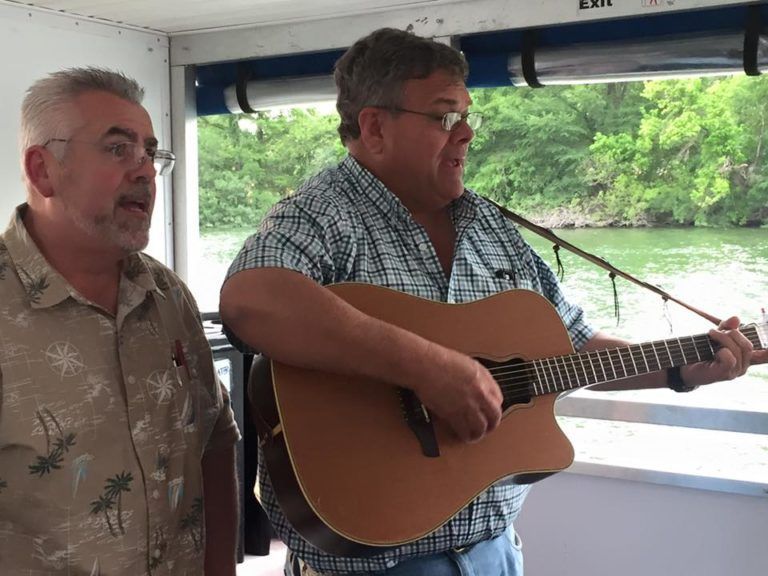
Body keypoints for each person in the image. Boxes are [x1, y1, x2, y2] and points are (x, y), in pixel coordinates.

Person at [220, 28, 767, 576]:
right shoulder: (323, 214)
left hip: (495, 556)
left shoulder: (488, 226)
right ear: (375, 126)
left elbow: (575, 348)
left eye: (466, 115)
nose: (466, 134)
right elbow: (251, 298)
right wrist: (429, 368)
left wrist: (681, 370)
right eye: (444, 117)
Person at [0, 68, 240, 575]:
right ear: (43, 170)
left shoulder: (168, 295)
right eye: (117, 149)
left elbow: (215, 444)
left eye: (150, 153)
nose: (145, 171)